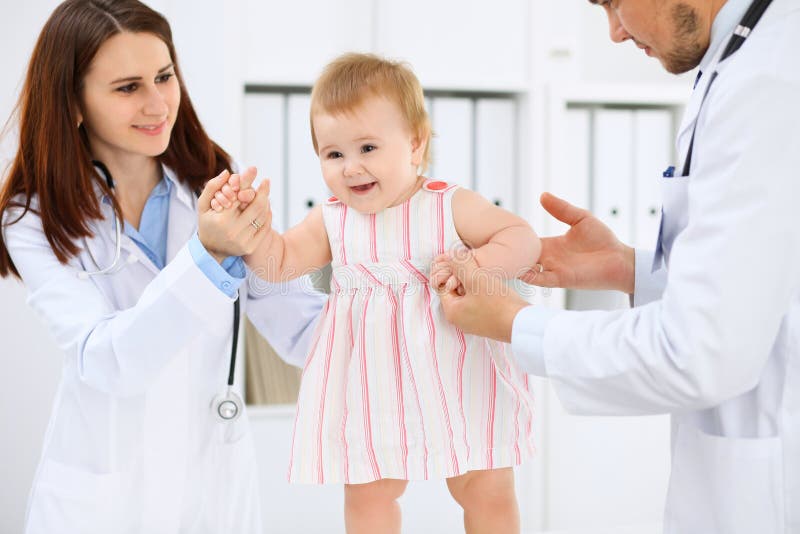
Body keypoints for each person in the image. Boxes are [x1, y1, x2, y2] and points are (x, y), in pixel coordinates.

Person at [435, 0, 800, 533]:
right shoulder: (739, 59)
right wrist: (629, 270)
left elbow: (700, 353)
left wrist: (519, 324)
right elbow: (766, 284)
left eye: (612, 3)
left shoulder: (771, 79)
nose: (612, 33)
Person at [0, 1, 324, 533]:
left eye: (164, 76)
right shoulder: (33, 217)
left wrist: (404, 311)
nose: (158, 105)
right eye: (128, 88)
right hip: (101, 504)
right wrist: (206, 256)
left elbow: (293, 318)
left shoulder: (215, 180)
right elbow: (107, 362)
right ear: (74, 103)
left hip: (211, 490)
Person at [211, 52, 541, 534]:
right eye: (334, 154)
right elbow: (278, 264)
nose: (351, 168)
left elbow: (521, 237)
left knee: (483, 485)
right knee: (368, 493)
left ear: (414, 143)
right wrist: (252, 226)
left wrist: (476, 266)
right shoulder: (330, 219)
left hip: (457, 363)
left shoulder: (447, 204)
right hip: (372, 379)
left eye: (367, 147)